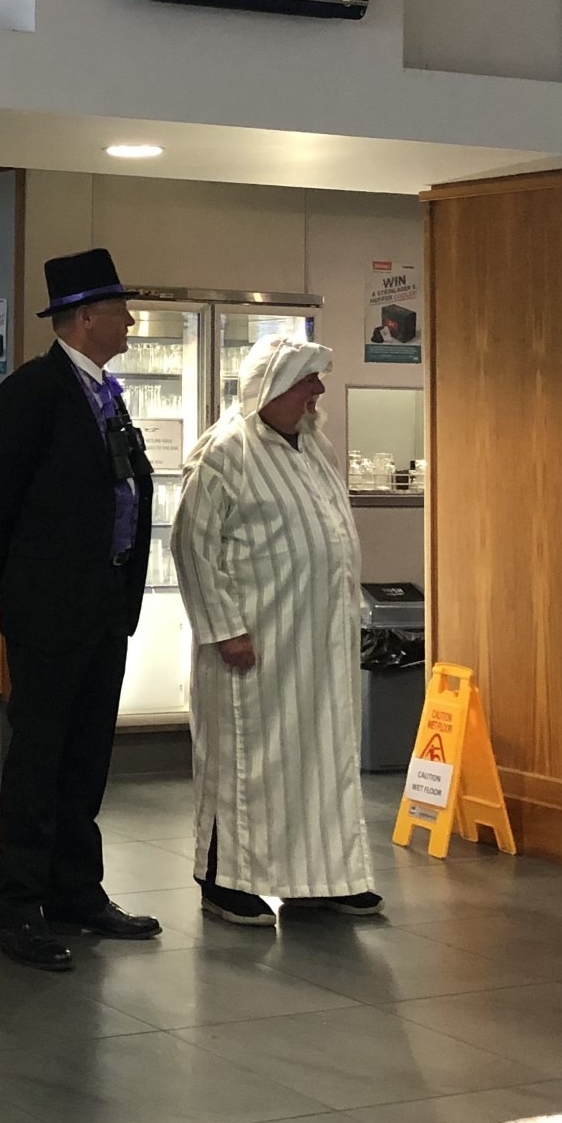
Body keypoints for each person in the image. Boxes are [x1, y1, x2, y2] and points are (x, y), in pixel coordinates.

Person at [0, 248, 161, 972]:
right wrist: (9, 583)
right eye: (120, 311)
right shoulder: (32, 392)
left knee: (86, 755)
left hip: (105, 603)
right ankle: (18, 906)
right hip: (49, 607)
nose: (130, 322)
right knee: (39, 756)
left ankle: (76, 889)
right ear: (85, 318)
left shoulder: (107, 394)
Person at [172, 333, 381, 927]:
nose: (318, 391)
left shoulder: (315, 447)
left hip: (319, 642)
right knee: (246, 763)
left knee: (322, 759)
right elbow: (191, 546)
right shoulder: (224, 454)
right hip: (256, 644)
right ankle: (223, 881)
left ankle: (321, 879)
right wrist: (224, 629)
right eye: (307, 380)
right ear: (271, 387)